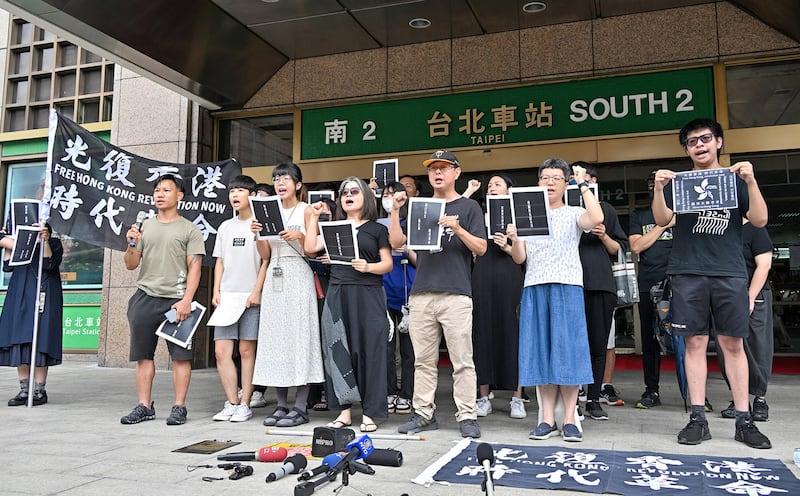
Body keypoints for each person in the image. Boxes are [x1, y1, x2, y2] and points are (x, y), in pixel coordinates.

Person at [652, 118, 770, 449]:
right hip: (687, 271)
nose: (699, 145)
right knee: (694, 344)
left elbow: (759, 220)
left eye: (705, 138)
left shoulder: (735, 180)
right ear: (686, 149)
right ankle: (697, 418)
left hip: (730, 271)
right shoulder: (679, 182)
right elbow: (662, 220)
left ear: (718, 141)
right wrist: (659, 188)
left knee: (733, 344)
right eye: (692, 142)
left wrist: (751, 180)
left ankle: (744, 419)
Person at [389, 150, 487, 438]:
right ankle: (423, 413)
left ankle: (467, 414)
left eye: (444, 168)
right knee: (423, 360)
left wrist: (457, 228)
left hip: (456, 293)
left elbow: (481, 248)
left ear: (457, 172)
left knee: (462, 360)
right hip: (421, 294)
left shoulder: (468, 208)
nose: (438, 173)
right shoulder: (420, 207)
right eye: (433, 169)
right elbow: (397, 242)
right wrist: (395, 210)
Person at [510, 158, 603, 442]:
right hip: (535, 284)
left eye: (556, 178)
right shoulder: (526, 213)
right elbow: (520, 258)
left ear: (565, 184)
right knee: (540, 350)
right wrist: (515, 238)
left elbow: (596, 219)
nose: (549, 183)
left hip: (568, 285)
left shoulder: (574, 211)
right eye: (544, 177)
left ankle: (570, 419)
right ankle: (547, 418)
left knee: (569, 351)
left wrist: (584, 184)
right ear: (537, 182)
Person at [305, 177, 393, 432]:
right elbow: (311, 248)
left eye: (355, 191)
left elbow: (387, 263)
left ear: (366, 196)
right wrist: (313, 218)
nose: (348, 195)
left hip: (368, 293)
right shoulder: (334, 227)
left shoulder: (376, 229)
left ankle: (370, 412)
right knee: (338, 350)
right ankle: (344, 412)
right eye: (344, 193)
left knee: (371, 352)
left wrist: (369, 267)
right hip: (338, 292)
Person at [121, 173, 205, 425]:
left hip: (176, 301)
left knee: (180, 357)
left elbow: (196, 268)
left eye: (166, 190)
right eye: (157, 190)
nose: (160, 194)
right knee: (143, 356)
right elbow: (130, 264)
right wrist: (132, 244)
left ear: (179, 196)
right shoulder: (144, 226)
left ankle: (179, 406)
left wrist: (186, 300)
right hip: (145, 297)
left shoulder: (190, 229)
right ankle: (144, 406)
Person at [251, 162, 324, 428]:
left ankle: (301, 407)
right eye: (276, 179)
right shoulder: (267, 210)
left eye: (285, 178)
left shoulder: (305, 210)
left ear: (298, 184)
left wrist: (300, 235)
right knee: (275, 339)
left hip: (298, 275)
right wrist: (257, 234)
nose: (280, 183)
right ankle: (281, 405)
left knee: (299, 338)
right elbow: (265, 255)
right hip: (275, 277)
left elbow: (312, 250)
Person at [210, 175, 267, 422]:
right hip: (227, 298)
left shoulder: (259, 224)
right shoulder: (225, 227)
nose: (235, 195)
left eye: (240, 191)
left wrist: (256, 291)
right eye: (232, 190)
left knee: (246, 350)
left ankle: (245, 403)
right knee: (222, 350)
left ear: (252, 196)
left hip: (250, 297)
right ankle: (231, 401)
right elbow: (219, 262)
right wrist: (216, 290)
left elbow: (266, 260)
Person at [469, 174, 527, 419]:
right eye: (490, 185)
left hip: (510, 276)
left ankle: (517, 397)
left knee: (513, 333)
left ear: (509, 190)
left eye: (497, 184)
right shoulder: (478, 217)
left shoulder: (519, 218)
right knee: (482, 333)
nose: (492, 188)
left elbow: (523, 255)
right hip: (482, 276)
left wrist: (509, 243)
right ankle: (483, 397)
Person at [574, 162, 627, 422]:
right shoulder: (563, 210)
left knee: (598, 344)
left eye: (584, 178)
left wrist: (604, 235)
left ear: (593, 181)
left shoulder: (605, 210)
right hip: (569, 283)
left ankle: (593, 399)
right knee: (572, 346)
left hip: (600, 284)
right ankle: (572, 399)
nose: (579, 182)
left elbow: (619, 249)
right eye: (574, 178)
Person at [1, 223, 63, 406]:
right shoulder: (21, 245)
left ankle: (39, 390)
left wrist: (44, 240)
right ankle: (24, 389)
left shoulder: (54, 243)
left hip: (44, 293)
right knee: (20, 338)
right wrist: (7, 240)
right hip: (20, 294)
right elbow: (7, 265)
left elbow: (50, 263)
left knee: (41, 339)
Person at [718, 219, 774, 422]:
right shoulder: (720, 228)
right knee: (727, 349)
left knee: (759, 346)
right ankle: (738, 399)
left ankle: (760, 398)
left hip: (755, 293)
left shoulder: (755, 228)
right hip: (725, 295)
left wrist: (749, 297)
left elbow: (764, 264)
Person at [629, 171, 674, 409]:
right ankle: (651, 390)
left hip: (680, 284)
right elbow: (636, 246)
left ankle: (695, 393)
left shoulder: (682, 213)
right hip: (649, 284)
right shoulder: (640, 215)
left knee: (689, 341)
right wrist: (662, 226)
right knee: (650, 341)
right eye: (652, 184)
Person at [379, 181, 416, 416]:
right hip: (384, 290)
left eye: (394, 194)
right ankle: (390, 391)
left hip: (410, 292)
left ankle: (408, 394)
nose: (390, 198)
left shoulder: (414, 222)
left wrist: (408, 250)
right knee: (386, 348)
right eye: (385, 194)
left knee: (410, 351)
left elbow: (422, 261)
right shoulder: (378, 225)